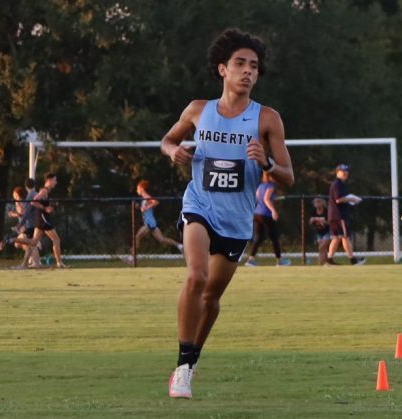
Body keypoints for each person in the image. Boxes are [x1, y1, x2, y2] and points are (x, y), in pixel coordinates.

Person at [160, 28, 294, 399]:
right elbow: (167, 140)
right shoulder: (197, 110)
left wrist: (266, 162)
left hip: (237, 220)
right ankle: (183, 366)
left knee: (211, 298)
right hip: (199, 205)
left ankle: (193, 358)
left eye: (254, 65)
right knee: (196, 277)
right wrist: (173, 151)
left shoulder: (267, 119)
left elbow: (289, 178)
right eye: (240, 63)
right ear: (222, 69)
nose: (248, 71)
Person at [13, 173, 68, 268]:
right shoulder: (44, 191)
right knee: (56, 239)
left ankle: (12, 240)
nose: (56, 182)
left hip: (40, 219)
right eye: (54, 180)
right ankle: (59, 263)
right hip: (43, 219)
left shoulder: (47, 191)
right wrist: (44, 208)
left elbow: (43, 204)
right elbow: (33, 202)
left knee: (34, 242)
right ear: (49, 180)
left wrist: (51, 206)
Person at [127, 180, 183, 258]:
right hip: (151, 222)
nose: (137, 190)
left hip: (149, 222)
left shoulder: (146, 197)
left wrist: (146, 207)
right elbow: (144, 208)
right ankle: (179, 245)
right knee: (162, 239)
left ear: (141, 188)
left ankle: (132, 257)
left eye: (138, 188)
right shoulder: (143, 199)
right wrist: (138, 207)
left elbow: (156, 202)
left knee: (137, 236)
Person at [244, 171, 290, 266]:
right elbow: (266, 199)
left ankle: (250, 260)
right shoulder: (270, 186)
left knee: (258, 237)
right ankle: (279, 260)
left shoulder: (260, 186)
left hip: (257, 214)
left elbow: (257, 198)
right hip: (266, 215)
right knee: (274, 237)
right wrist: (273, 210)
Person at [326, 164, 365, 266]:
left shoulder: (339, 184)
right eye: (343, 171)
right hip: (339, 215)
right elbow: (338, 199)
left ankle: (329, 260)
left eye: (346, 171)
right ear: (337, 172)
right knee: (345, 236)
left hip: (334, 215)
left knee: (336, 238)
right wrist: (352, 199)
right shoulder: (338, 184)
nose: (345, 173)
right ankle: (353, 260)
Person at [309, 196, 331, 265]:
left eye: (318, 201)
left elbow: (331, 222)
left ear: (322, 203)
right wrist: (312, 220)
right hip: (319, 233)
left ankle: (320, 263)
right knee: (323, 249)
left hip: (327, 232)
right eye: (315, 202)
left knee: (321, 247)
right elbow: (310, 222)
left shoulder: (326, 211)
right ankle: (325, 263)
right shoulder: (313, 211)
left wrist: (324, 222)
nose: (316, 203)